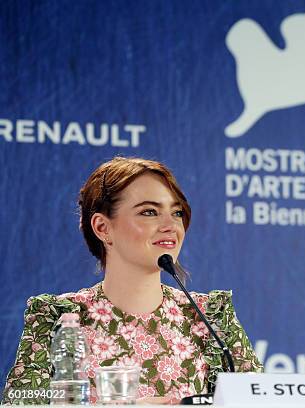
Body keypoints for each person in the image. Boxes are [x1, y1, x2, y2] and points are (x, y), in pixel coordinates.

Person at [3, 157, 262, 404]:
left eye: (177, 213)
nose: (170, 226)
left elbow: (261, 403)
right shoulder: (59, 319)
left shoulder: (210, 317)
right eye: (149, 212)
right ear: (103, 228)